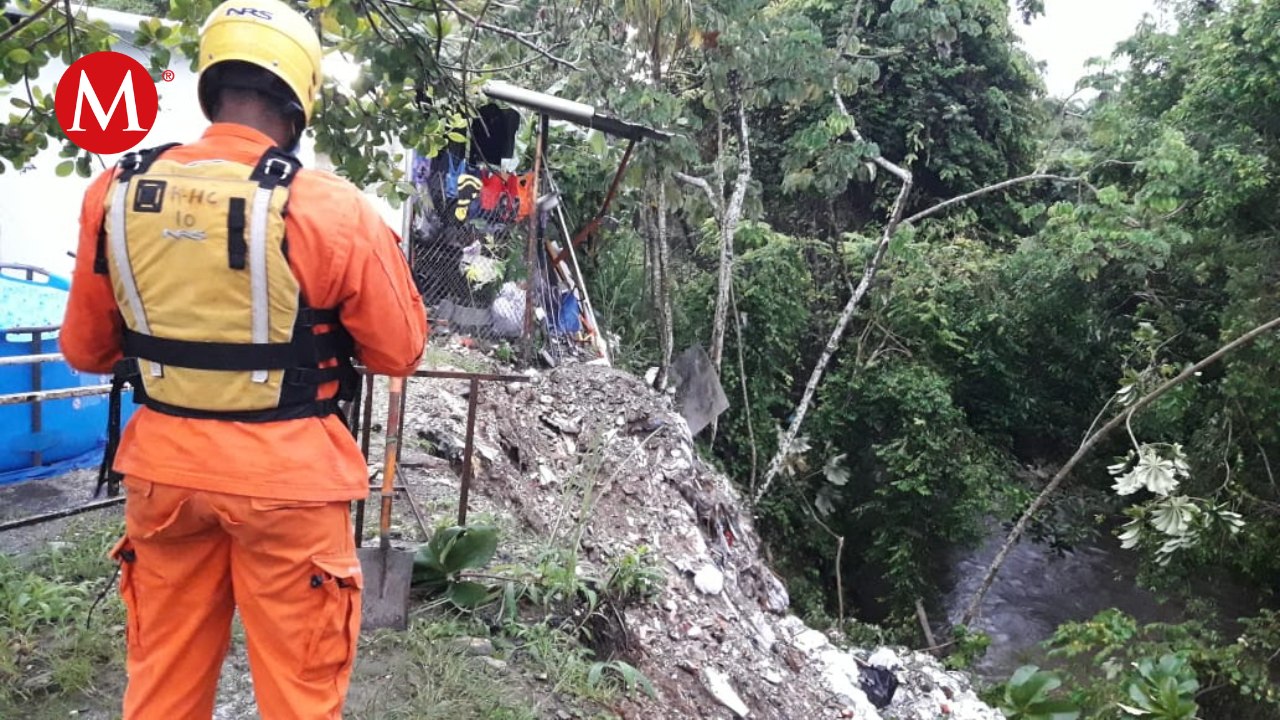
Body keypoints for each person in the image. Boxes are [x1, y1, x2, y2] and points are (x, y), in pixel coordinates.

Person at [58, 0, 428, 717]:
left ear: (211, 85)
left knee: (161, 687)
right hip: (291, 485)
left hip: (164, 480)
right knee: (299, 695)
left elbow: (86, 349)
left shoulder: (117, 191)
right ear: (298, 101)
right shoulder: (331, 208)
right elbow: (400, 350)